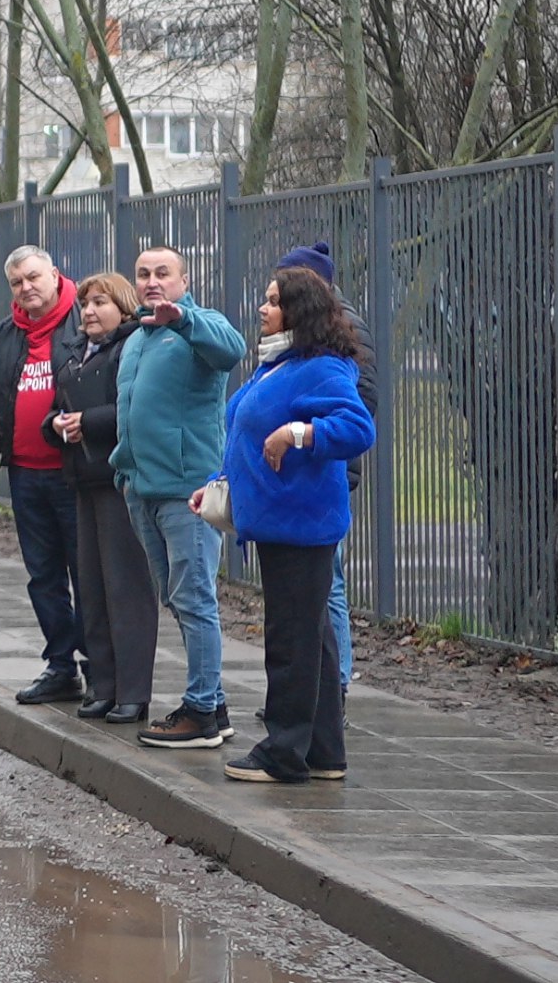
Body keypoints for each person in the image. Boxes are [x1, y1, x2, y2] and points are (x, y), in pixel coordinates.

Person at [206, 268, 375, 784]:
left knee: (290, 643)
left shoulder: (322, 367)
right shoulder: (279, 364)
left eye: (274, 301)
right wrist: (217, 480)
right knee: (314, 640)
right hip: (279, 522)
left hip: (301, 525)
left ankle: (284, 750)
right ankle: (325, 751)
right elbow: (243, 430)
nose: (263, 308)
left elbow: (357, 427)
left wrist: (300, 433)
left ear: (298, 311)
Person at [111, 244, 246, 749]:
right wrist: (123, 469)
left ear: (183, 281)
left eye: (163, 273)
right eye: (143, 273)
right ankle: (213, 701)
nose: (151, 281)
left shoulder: (198, 324)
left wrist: (183, 318)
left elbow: (231, 349)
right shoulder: (139, 338)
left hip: (186, 493)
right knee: (176, 597)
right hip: (143, 489)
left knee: (194, 599)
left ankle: (201, 714)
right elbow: (130, 409)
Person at [0, 244, 85, 706]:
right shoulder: (3, 337)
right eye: (17, 283)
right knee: (43, 577)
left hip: (74, 473)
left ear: (54, 274)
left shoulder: (83, 320)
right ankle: (61, 666)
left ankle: (100, 665)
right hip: (26, 476)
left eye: (33, 277)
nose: (26, 288)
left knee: (87, 573)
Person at [44, 272, 156, 724]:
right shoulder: (73, 353)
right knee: (91, 589)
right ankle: (103, 686)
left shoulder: (133, 347)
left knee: (126, 589)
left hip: (117, 480)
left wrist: (85, 421)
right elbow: (57, 404)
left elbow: (134, 407)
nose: (89, 312)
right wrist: (55, 422)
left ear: (123, 308)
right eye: (85, 304)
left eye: (100, 303)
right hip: (80, 479)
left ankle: (134, 691)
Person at [275, 241, 374, 696]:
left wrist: (303, 435)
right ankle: (317, 683)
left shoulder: (338, 331)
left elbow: (357, 410)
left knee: (326, 583)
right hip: (299, 471)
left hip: (321, 469)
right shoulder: (298, 336)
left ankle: (332, 682)